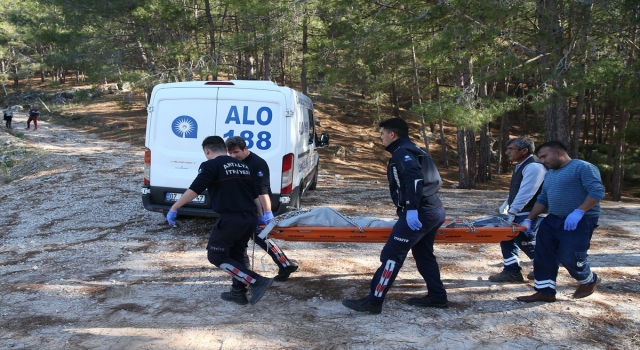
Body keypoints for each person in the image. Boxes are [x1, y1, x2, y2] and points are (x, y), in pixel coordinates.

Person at [342, 117, 448, 314]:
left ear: (392, 134)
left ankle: (374, 300)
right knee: (424, 255)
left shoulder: (403, 152)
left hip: (422, 212)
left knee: (391, 256)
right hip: (434, 209)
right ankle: (438, 296)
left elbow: (415, 179)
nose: (381, 137)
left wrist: (411, 209)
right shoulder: (413, 148)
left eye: (382, 133)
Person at [166, 135, 273, 305]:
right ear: (224, 149)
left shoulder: (210, 165)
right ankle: (238, 293)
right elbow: (254, 196)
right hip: (250, 217)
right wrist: (260, 218)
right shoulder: (243, 165)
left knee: (216, 255)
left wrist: (174, 208)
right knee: (236, 254)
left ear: (207, 151)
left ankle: (256, 281)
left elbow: (195, 189)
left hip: (232, 218)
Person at [517, 141, 605, 303]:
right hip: (553, 219)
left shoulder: (583, 167)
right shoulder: (550, 174)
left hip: (579, 220)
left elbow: (597, 191)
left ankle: (589, 280)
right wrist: (529, 219)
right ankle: (545, 291)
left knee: (569, 257)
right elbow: (543, 198)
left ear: (559, 153)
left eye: (544, 156)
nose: (542, 161)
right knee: (543, 254)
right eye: (540, 157)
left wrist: (579, 211)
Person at [225, 136, 299, 281]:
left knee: (259, 236)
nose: (233, 156)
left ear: (245, 149)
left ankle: (284, 264)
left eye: (236, 152)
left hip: (256, 206)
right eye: (230, 153)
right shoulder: (234, 162)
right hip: (242, 205)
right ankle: (246, 265)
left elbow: (262, 190)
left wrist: (267, 212)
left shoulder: (257, 164)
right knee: (242, 237)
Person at [489, 137, 546, 283]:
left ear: (524, 151)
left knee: (526, 240)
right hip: (520, 210)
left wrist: (513, 211)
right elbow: (517, 189)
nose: (507, 152)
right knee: (506, 238)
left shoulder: (534, 167)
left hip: (529, 211)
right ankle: (511, 271)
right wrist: (506, 204)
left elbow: (528, 191)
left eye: (511, 149)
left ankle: (545, 268)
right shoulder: (521, 165)